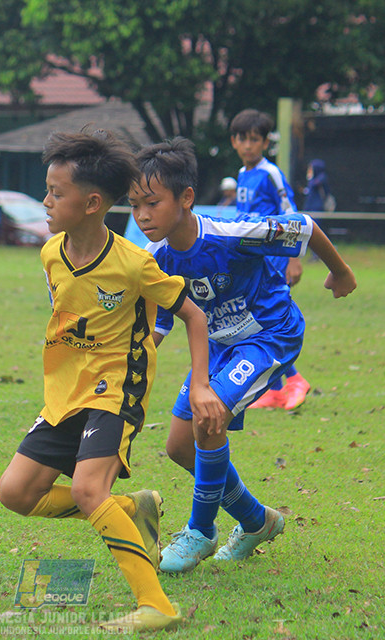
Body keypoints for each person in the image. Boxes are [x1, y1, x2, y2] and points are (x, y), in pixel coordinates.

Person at [0, 129, 224, 633]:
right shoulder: (50, 254)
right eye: (48, 190)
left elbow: (195, 317)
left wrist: (203, 383)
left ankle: (155, 605)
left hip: (118, 389)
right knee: (15, 493)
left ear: (92, 202)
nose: (46, 201)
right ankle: (130, 509)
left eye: (57, 192)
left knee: (85, 489)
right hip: (65, 394)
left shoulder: (135, 264)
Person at [129, 136, 356, 572]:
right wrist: (130, 355)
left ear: (187, 198)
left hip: (269, 335)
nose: (142, 215)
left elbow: (304, 227)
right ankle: (256, 521)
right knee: (179, 446)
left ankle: (201, 531)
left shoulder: (232, 234)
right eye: (135, 204)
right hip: (218, 345)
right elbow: (158, 324)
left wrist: (340, 272)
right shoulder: (152, 258)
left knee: (209, 417)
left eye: (152, 203)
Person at [230, 109, 309, 410]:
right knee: (256, 322)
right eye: (242, 139)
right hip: (251, 259)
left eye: (254, 139)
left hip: (274, 258)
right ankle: (275, 390)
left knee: (269, 320)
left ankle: (295, 380)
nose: (248, 145)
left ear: (265, 142)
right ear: (234, 142)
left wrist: (294, 258)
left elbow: (292, 215)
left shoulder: (270, 173)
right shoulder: (242, 175)